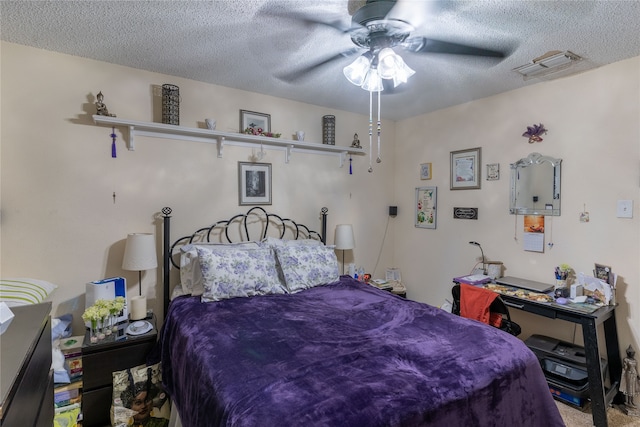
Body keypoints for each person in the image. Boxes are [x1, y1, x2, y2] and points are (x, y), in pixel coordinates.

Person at [620, 345, 640, 411]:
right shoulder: (626, 359)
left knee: (633, 388)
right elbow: (625, 368)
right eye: (630, 353)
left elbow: (636, 369)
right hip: (629, 374)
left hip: (634, 374)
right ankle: (629, 401)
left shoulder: (635, 360)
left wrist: (638, 375)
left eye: (632, 353)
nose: (632, 354)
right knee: (629, 388)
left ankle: (632, 401)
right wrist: (625, 366)